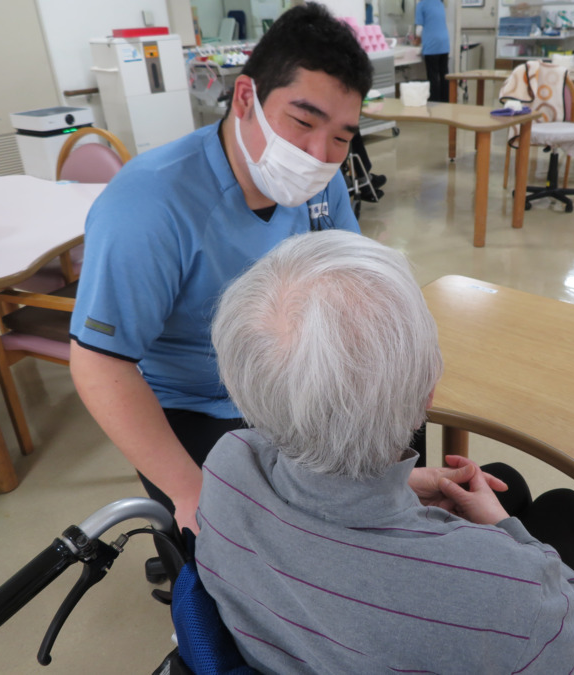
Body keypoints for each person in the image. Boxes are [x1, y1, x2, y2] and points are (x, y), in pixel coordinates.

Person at [198, 229, 574, 673]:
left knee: (506, 480)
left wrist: (402, 484)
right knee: (565, 509)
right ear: (426, 398)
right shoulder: (505, 592)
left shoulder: (226, 468)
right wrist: (508, 533)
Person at [68, 3, 373, 534]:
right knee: (264, 543)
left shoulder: (322, 184)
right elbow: (99, 364)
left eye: (342, 138)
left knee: (392, 469)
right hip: (199, 405)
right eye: (303, 122)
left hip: (297, 386)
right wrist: (188, 491)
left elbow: (355, 283)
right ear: (246, 98)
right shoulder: (148, 205)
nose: (318, 154)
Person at [414, 0, 450, 102]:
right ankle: (446, 100)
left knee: (433, 76)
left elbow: (419, 28)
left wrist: (417, 40)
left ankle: (435, 101)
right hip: (444, 43)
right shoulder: (440, 3)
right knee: (444, 75)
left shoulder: (421, 4)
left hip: (432, 44)